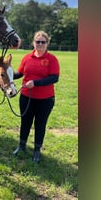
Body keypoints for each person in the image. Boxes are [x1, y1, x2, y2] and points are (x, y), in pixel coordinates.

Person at [12, 31, 60, 162]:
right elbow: (20, 73)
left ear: (47, 44)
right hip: (26, 97)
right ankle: (21, 146)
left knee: (40, 124)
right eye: (37, 42)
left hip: (45, 100)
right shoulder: (27, 58)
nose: (40, 44)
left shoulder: (52, 59)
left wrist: (36, 83)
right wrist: (8, 73)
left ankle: (37, 150)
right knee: (25, 122)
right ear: (33, 43)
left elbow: (54, 78)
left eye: (42, 42)